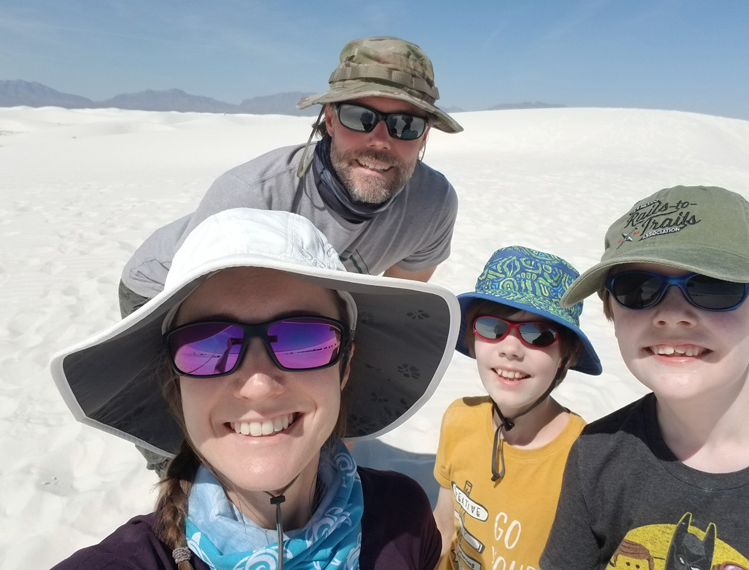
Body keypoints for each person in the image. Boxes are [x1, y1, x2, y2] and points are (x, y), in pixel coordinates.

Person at [50, 208, 460, 570]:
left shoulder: (402, 518)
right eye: (208, 345)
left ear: (345, 365)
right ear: (176, 381)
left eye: (304, 339)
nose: (259, 385)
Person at [540, 185, 749, 569]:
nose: (672, 314)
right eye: (638, 289)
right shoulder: (595, 455)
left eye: (714, 287)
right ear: (613, 315)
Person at [119, 35, 464, 319]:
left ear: (424, 137)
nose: (380, 141)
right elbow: (208, 314)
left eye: (405, 125)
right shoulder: (251, 197)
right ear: (329, 121)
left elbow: (391, 303)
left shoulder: (432, 206)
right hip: (164, 290)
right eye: (360, 117)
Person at [432, 246, 602, 570]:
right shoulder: (458, 419)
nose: (510, 349)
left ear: (568, 353)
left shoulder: (586, 456)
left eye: (538, 335)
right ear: (472, 337)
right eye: (492, 328)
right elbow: (442, 525)